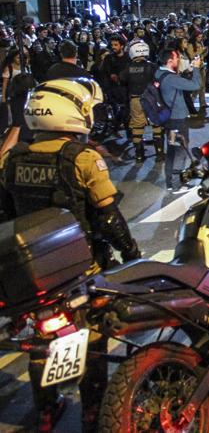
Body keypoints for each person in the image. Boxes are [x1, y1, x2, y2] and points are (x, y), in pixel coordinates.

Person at [0, 78, 140, 432]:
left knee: (40, 342)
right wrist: (132, 255)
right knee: (92, 337)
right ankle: (92, 411)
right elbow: (108, 215)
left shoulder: (13, 159)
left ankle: (47, 410)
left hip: (36, 271)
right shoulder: (83, 158)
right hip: (81, 266)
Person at [157, 47, 201, 193]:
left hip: (168, 118)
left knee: (171, 150)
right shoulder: (171, 79)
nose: (179, 60)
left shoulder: (159, 73)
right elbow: (196, 85)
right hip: (177, 119)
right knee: (180, 150)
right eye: (177, 58)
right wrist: (196, 69)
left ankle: (170, 182)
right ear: (170, 61)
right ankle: (177, 184)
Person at [125, 41, 164, 163]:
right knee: (156, 125)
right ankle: (159, 153)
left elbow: (121, 79)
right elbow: (159, 81)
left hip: (136, 99)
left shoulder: (128, 67)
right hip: (151, 98)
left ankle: (139, 155)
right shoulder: (152, 66)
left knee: (137, 127)